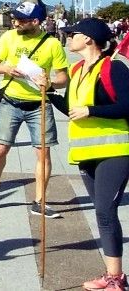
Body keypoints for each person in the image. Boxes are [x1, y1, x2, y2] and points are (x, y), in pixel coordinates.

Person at [50, 18, 129, 290]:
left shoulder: (114, 68)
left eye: (73, 34)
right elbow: (73, 108)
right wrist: (48, 92)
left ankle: (116, 279)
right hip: (86, 153)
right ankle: (112, 275)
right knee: (101, 212)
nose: (68, 37)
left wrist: (92, 111)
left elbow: (127, 105)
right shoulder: (77, 69)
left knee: (106, 210)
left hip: (115, 151)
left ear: (89, 39)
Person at [0, 1, 69, 216]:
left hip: (39, 104)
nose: (16, 22)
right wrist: (7, 68)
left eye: (20, 20)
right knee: (1, 147)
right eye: (15, 18)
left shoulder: (52, 44)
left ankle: (40, 200)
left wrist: (49, 83)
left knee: (43, 152)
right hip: (10, 100)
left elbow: (64, 78)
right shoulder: (9, 37)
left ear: (35, 22)